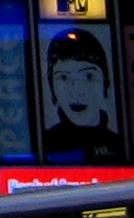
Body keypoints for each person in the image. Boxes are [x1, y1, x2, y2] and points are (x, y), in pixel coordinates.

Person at [39, 29, 121, 160]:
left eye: (89, 76)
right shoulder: (41, 146)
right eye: (64, 78)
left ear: (105, 82)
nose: (77, 91)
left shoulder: (121, 147)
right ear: (52, 87)